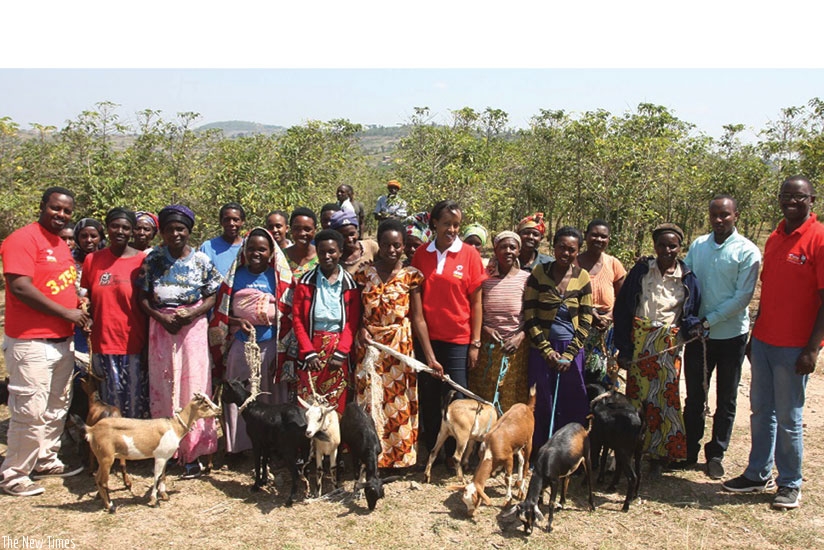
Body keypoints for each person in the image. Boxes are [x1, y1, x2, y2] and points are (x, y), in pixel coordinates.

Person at [723, 176, 824, 510]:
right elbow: (769, 291)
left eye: (799, 196)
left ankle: (790, 483)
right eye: (786, 195)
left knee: (789, 417)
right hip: (765, 341)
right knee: (760, 411)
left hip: (795, 347)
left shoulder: (819, 238)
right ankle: (757, 473)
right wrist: (755, 335)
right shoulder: (775, 237)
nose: (791, 201)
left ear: (812, 200)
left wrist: (812, 348)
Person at [0, 186, 90, 497]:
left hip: (62, 340)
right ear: (42, 206)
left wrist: (77, 307)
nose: (61, 214)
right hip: (31, 341)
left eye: (67, 211)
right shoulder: (22, 239)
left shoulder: (60, 245)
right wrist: (66, 312)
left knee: (56, 405)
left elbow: (60, 286)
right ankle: (14, 473)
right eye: (56, 208)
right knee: (30, 409)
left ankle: (45, 459)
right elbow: (20, 287)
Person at [137, 204, 223, 479]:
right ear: (161, 232)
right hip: (161, 329)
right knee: (164, 386)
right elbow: (142, 297)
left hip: (192, 329)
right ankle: (166, 450)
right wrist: (160, 317)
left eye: (181, 229)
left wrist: (193, 313)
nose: (175, 234)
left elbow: (212, 295)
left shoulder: (202, 261)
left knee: (194, 386)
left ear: (189, 231)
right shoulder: (152, 260)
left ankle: (193, 452)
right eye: (170, 229)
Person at [681, 195, 761, 480]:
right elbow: (685, 280)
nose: (719, 220)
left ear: (736, 215)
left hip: (730, 336)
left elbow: (742, 298)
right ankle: (689, 450)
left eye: (725, 214)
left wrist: (708, 321)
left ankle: (716, 454)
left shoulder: (747, 251)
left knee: (726, 398)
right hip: (698, 337)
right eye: (714, 214)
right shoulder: (698, 245)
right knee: (694, 396)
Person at [614, 223, 701, 477]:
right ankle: (632, 449)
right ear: (655, 246)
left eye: (672, 246)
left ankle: (660, 454)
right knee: (637, 398)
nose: (667, 250)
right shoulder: (642, 271)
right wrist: (624, 349)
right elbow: (623, 309)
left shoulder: (688, 278)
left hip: (668, 346)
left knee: (665, 398)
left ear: (680, 247)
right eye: (662, 245)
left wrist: (694, 328)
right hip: (640, 342)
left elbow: (691, 312)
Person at [353, 219, 439, 469]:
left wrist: (430, 358)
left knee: (398, 402)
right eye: (386, 245)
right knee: (371, 400)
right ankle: (371, 457)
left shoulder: (411, 276)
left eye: (397, 245)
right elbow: (355, 312)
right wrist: (360, 329)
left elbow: (418, 319)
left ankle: (399, 459)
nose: (391, 250)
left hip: (399, 347)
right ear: (378, 245)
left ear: (403, 246)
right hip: (369, 347)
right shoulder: (364, 274)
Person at [209, 227, 295, 455]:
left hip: (272, 346)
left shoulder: (279, 278)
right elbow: (221, 313)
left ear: (271, 252)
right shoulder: (234, 277)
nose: (256, 253)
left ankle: (274, 448)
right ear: (244, 250)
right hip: (241, 346)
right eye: (251, 248)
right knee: (239, 394)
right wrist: (237, 321)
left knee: (270, 396)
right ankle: (239, 446)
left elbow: (288, 313)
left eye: (262, 249)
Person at [411, 200, 486, 459]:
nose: (452, 230)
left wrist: (475, 343)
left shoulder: (470, 255)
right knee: (429, 396)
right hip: (427, 340)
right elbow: (417, 306)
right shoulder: (421, 254)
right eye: (446, 224)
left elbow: (477, 303)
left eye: (456, 225)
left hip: (458, 340)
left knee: (456, 397)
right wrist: (428, 352)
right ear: (434, 223)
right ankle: (433, 451)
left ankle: (457, 454)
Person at [524, 226, 593, 456]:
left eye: (571, 250)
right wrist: (546, 350)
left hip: (571, 350)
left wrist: (569, 354)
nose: (565, 253)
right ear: (553, 247)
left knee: (573, 401)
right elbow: (530, 314)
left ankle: (570, 454)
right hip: (542, 349)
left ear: (578, 251)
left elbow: (586, 319)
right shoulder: (539, 273)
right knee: (541, 401)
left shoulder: (582, 277)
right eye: (561, 247)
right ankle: (540, 453)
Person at [80, 208, 150, 419]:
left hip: (133, 343)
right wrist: (85, 313)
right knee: (108, 406)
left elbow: (148, 303)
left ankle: (134, 441)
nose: (120, 231)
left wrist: (148, 344)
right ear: (107, 229)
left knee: (136, 402)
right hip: (102, 343)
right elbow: (87, 297)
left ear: (132, 231)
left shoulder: (143, 261)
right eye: (115, 226)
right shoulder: (92, 260)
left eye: (126, 227)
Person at [292, 229, 361, 415]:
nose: (327, 256)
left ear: (340, 252)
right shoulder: (306, 282)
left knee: (335, 404)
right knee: (309, 404)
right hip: (311, 348)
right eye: (322, 252)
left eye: (331, 251)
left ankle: (334, 435)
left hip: (338, 349)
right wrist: (308, 352)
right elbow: (297, 320)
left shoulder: (350, 284)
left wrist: (341, 352)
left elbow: (352, 322)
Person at [469, 231, 531, 414]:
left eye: (512, 247)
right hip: (488, 345)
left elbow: (532, 314)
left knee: (511, 395)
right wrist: (485, 329)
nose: (508, 251)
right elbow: (475, 308)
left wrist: (520, 337)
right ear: (495, 250)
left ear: (519, 251)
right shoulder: (484, 278)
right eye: (503, 247)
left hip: (515, 347)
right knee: (484, 393)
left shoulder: (526, 279)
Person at [575, 219, 627, 385]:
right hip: (579, 323)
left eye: (603, 236)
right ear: (585, 236)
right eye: (594, 235)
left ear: (609, 239)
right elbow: (567, 295)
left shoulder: (613, 263)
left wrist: (610, 316)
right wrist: (589, 313)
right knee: (578, 371)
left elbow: (623, 297)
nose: (599, 239)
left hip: (607, 326)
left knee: (605, 372)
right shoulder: (574, 263)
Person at [199, 202, 246, 277]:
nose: (231, 223)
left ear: (242, 222)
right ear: (221, 221)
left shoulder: (247, 248)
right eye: (227, 219)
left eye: (235, 220)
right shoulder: (208, 247)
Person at [330, 209, 379, 276]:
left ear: (357, 231)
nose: (350, 239)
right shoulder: (334, 259)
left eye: (352, 234)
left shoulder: (371, 247)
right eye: (344, 236)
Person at [284, 207, 319, 278]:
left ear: (315, 230)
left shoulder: (321, 257)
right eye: (297, 229)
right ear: (291, 229)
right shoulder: (281, 257)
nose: (302, 233)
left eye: (307, 229)